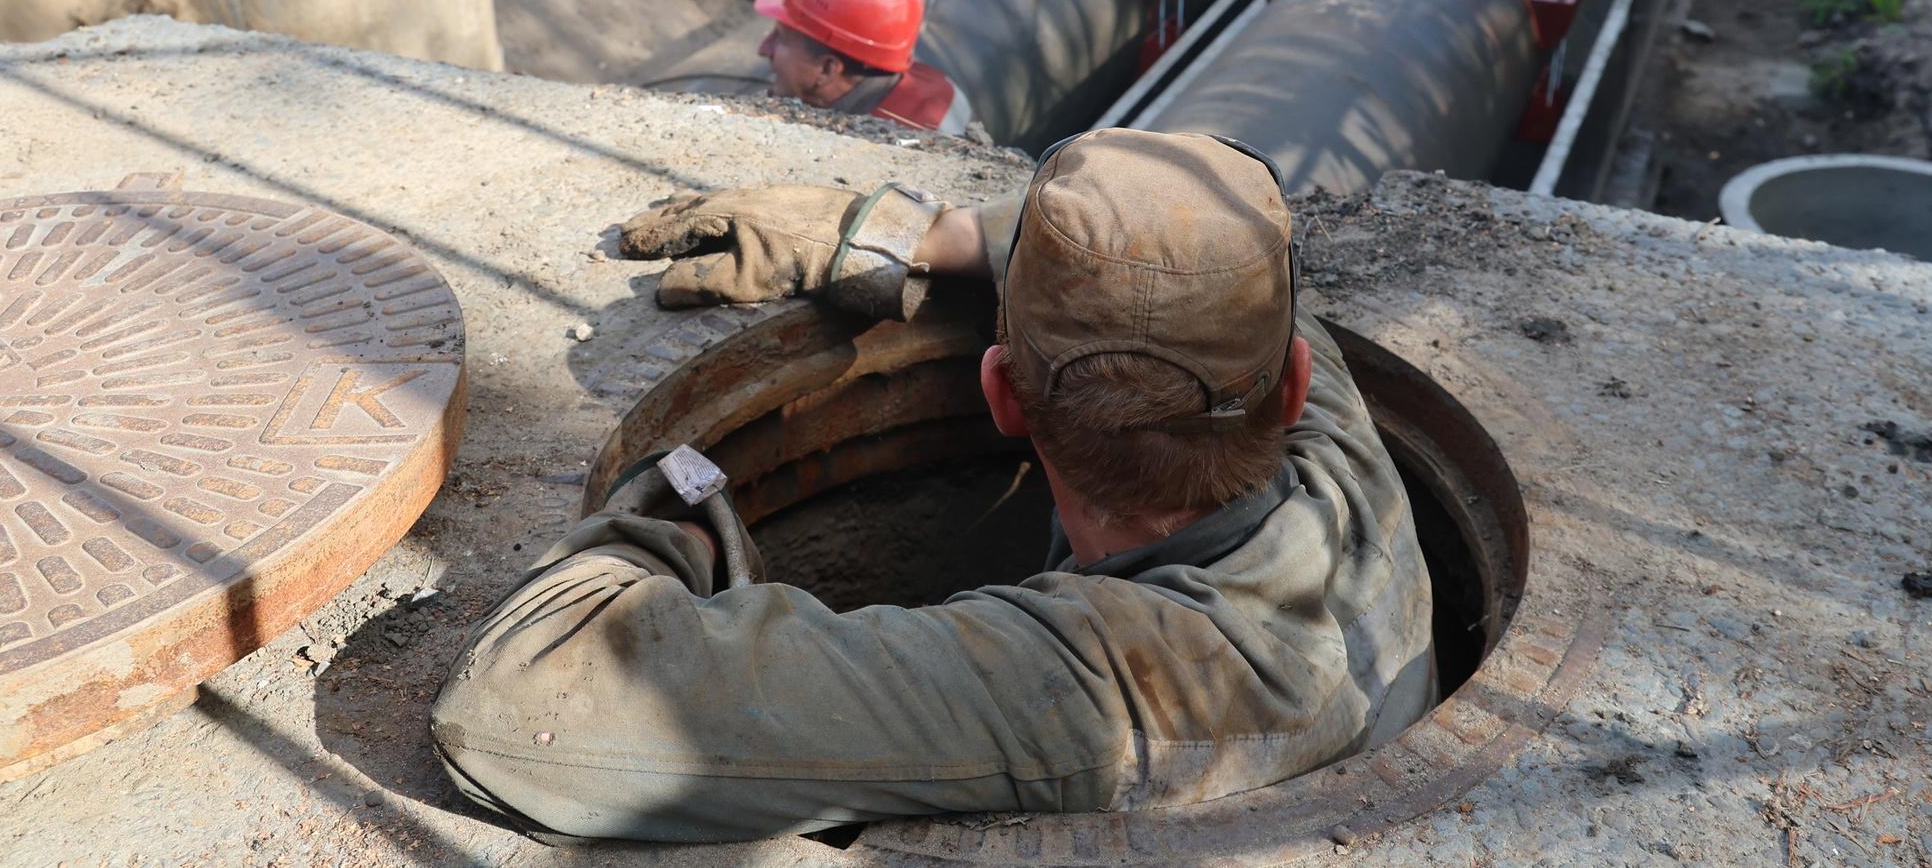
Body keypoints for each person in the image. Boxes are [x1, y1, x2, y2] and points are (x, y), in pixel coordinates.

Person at [429, 128, 1438, 843]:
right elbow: (1180, 264)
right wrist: (925, 236)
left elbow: (515, 717)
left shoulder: (1093, 688)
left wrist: (668, 526)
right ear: (1293, 381)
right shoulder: (1337, 453)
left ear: (1001, 397)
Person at [752, 0, 974, 136]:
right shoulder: (939, 86)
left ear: (827, 70)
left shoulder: (878, 151)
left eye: (780, 38)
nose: (763, 48)